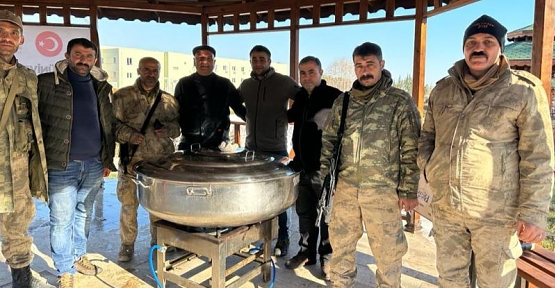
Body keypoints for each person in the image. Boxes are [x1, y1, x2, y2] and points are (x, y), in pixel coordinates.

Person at [418, 15, 554, 288]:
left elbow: (538, 156)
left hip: (495, 213)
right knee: (450, 279)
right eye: (471, 42)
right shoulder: (443, 90)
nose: (478, 48)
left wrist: (535, 213)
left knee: (495, 283)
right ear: (463, 48)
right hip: (447, 209)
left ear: (500, 48)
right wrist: (428, 167)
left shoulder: (522, 91)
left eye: (487, 42)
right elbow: (427, 136)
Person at [320, 42, 420, 287]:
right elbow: (329, 141)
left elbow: (411, 147)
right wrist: (326, 180)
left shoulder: (399, 101)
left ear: (382, 65)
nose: (365, 71)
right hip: (346, 188)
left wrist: (408, 190)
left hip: (383, 192)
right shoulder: (343, 102)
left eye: (370, 65)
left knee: (388, 254)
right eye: (359, 66)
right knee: (341, 248)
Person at [37, 38, 117, 288]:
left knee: (84, 214)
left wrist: (106, 159)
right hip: (62, 164)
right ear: (67, 55)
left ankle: (78, 255)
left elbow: (108, 125)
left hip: (93, 163)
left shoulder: (102, 87)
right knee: (61, 219)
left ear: (95, 59)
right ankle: (64, 269)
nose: (83, 60)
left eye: (89, 56)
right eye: (78, 54)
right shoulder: (47, 83)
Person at [0, 10, 53, 288]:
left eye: (12, 33)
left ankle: (21, 279)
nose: (5, 38)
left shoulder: (27, 77)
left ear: (21, 40)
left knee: (18, 225)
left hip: (17, 166)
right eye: (0, 32)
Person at [113, 57, 180, 262]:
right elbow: (111, 126)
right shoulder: (123, 96)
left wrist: (167, 130)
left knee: (159, 206)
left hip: (160, 163)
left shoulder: (169, 100)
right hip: (132, 162)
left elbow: (177, 129)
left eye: (154, 70)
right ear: (139, 70)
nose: (150, 73)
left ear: (159, 72)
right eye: (146, 69)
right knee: (128, 205)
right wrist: (129, 135)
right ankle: (127, 244)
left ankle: (159, 241)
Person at [238, 45, 300, 257]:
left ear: (269, 61)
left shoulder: (283, 82)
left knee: (280, 197)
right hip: (251, 149)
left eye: (262, 59)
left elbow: (304, 99)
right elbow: (235, 102)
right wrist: (246, 116)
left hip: (276, 149)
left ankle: (283, 237)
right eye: (254, 59)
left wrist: (286, 117)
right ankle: (256, 237)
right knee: (253, 196)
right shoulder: (246, 85)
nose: (258, 62)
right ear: (250, 61)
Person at [285, 56, 341, 280]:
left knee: (327, 215)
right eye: (303, 73)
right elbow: (291, 118)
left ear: (320, 71)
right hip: (301, 166)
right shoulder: (300, 96)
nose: (306, 77)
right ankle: (306, 252)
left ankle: (328, 257)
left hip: (324, 169)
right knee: (304, 214)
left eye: (311, 72)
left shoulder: (334, 96)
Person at [174, 45, 246, 151]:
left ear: (214, 62)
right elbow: (175, 111)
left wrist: (258, 124)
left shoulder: (225, 84)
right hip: (189, 144)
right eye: (201, 58)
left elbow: (239, 109)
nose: (205, 62)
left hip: (219, 144)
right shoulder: (183, 84)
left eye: (209, 58)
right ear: (194, 61)